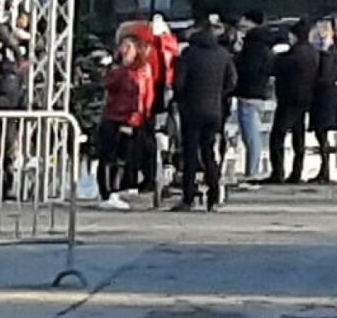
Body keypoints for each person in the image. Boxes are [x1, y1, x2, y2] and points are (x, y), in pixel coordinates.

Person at [169, 21, 236, 210]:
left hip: (191, 109)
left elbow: (179, 83)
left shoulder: (189, 54)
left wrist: (180, 97)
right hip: (214, 110)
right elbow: (232, 81)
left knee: (190, 153)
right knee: (209, 153)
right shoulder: (223, 55)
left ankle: (189, 197)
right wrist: (220, 96)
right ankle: (213, 197)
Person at [98, 35, 157, 209]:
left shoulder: (143, 70)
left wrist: (144, 114)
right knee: (109, 156)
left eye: (128, 47)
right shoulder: (118, 71)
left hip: (133, 118)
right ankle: (108, 192)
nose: (124, 50)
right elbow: (109, 85)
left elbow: (147, 94)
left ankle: (118, 189)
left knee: (124, 156)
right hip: (115, 116)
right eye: (122, 46)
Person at [271, 20, 320, 184]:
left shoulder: (294, 54)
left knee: (278, 135)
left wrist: (276, 57)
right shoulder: (312, 53)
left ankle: (278, 172)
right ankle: (296, 172)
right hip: (305, 97)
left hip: (289, 97)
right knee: (298, 136)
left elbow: (277, 66)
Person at [231, 12, 274, 185]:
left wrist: (236, 57)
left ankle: (252, 171)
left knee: (250, 134)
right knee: (252, 132)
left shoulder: (252, 45)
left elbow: (247, 67)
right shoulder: (263, 44)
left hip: (249, 91)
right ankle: (252, 170)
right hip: (257, 91)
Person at [306, 21, 337, 184]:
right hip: (326, 96)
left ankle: (325, 171)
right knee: (321, 135)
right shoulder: (331, 51)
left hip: (323, 98)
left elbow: (325, 76)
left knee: (322, 135)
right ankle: (324, 170)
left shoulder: (327, 53)